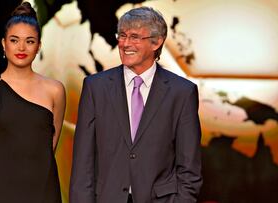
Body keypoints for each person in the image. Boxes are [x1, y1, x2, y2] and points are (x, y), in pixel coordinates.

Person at [69, 6, 202, 203]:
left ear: (157, 42)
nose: (125, 43)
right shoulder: (95, 87)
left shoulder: (182, 92)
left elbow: (189, 167)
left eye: (134, 37)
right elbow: (83, 165)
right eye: (122, 35)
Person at [0, 2, 66, 202]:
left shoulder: (55, 90)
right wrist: (12, 173)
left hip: (43, 191)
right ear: (4, 44)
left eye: (29, 41)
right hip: (0, 190)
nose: (21, 47)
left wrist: (30, 173)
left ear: (38, 46)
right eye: (14, 40)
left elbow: (48, 149)